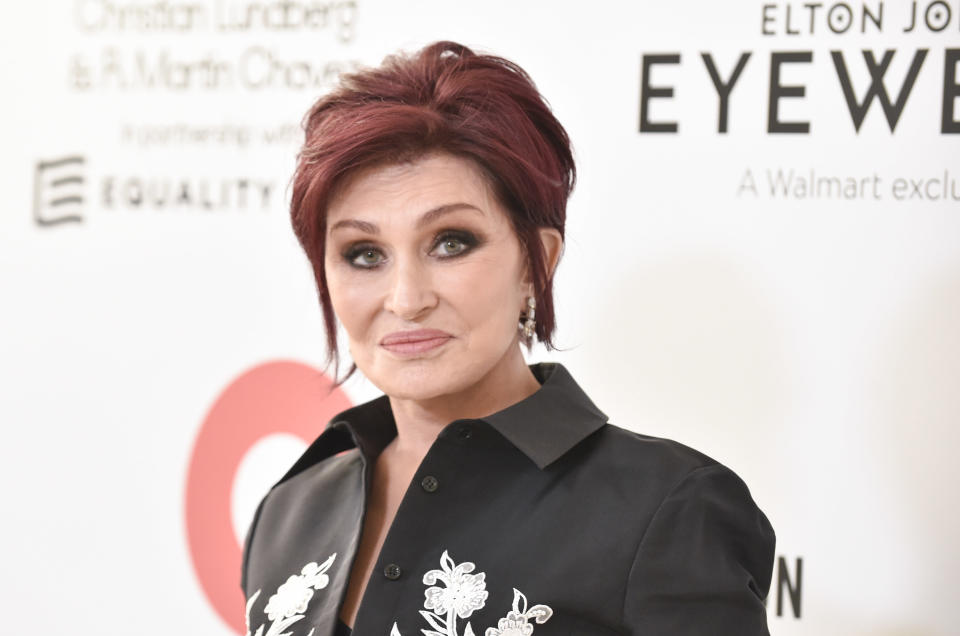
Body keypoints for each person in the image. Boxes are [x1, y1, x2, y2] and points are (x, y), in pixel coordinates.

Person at [241, 41, 775, 636]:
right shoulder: (290, 512)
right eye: (363, 254)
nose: (406, 298)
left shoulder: (667, 510)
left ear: (536, 264)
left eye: (451, 242)